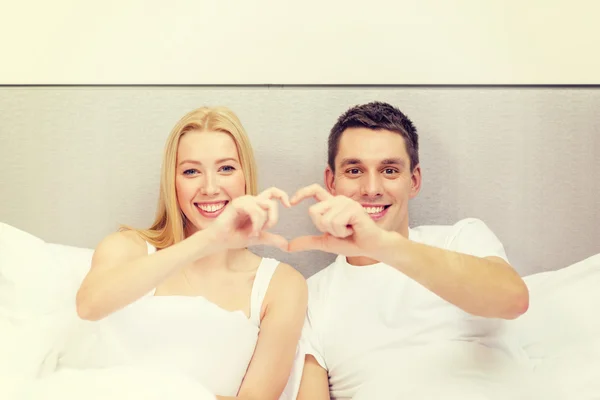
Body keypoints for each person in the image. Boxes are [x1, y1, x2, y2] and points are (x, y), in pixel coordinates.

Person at [290, 101, 531, 399]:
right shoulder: (310, 298)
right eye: (354, 170)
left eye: (389, 170)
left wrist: (381, 245)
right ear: (331, 182)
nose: (371, 188)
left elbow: (513, 299)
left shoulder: (461, 239)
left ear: (414, 180)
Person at [71, 106, 308, 400]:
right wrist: (209, 240)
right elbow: (89, 306)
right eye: (191, 171)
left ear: (246, 176)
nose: (209, 187)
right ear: (173, 181)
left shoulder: (281, 285)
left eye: (226, 168)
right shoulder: (128, 248)